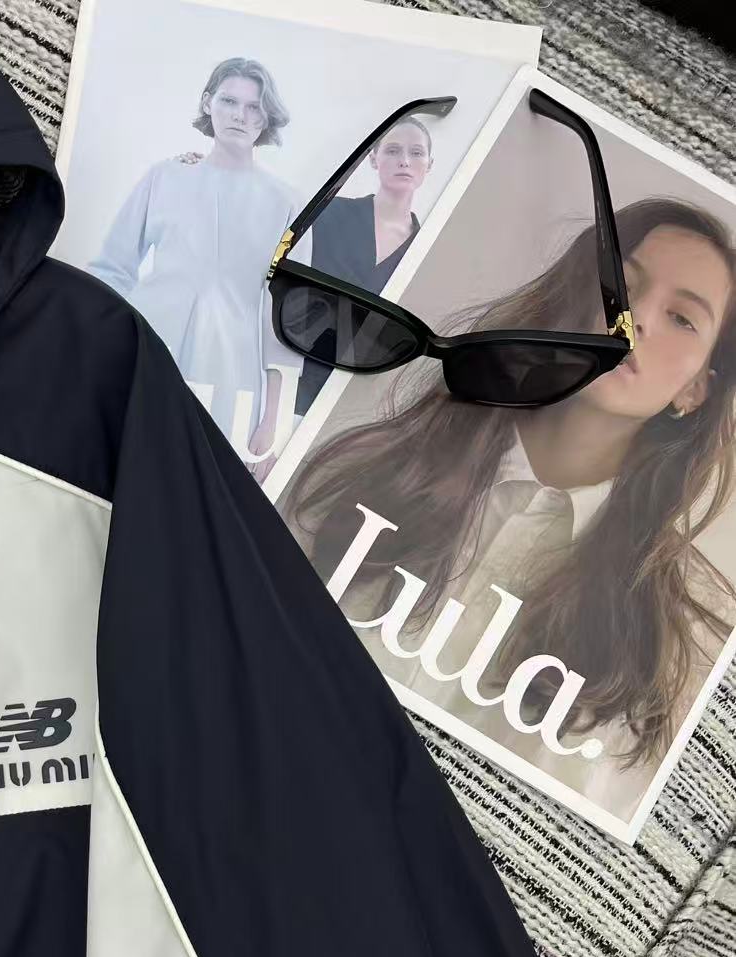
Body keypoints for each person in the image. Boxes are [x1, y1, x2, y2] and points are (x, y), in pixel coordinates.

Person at [278, 198, 736, 819]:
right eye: (621, 285)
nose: (632, 319)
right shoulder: (370, 467)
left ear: (697, 388)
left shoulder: (685, 634)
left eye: (682, 318)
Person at [88, 56, 299, 449]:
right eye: (228, 101)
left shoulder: (286, 204)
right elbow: (112, 270)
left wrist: (273, 424)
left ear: (266, 117)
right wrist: (100, 348)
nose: (239, 115)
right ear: (207, 102)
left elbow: (287, 323)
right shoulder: (164, 176)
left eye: (254, 107)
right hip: (145, 352)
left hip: (232, 377)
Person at [248, 115, 435, 482]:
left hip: (350, 419)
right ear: (373, 158)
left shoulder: (426, 251)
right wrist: (272, 419)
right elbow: (276, 299)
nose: (404, 161)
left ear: (429, 164)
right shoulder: (330, 215)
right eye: (393, 150)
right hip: (287, 393)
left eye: (416, 153)